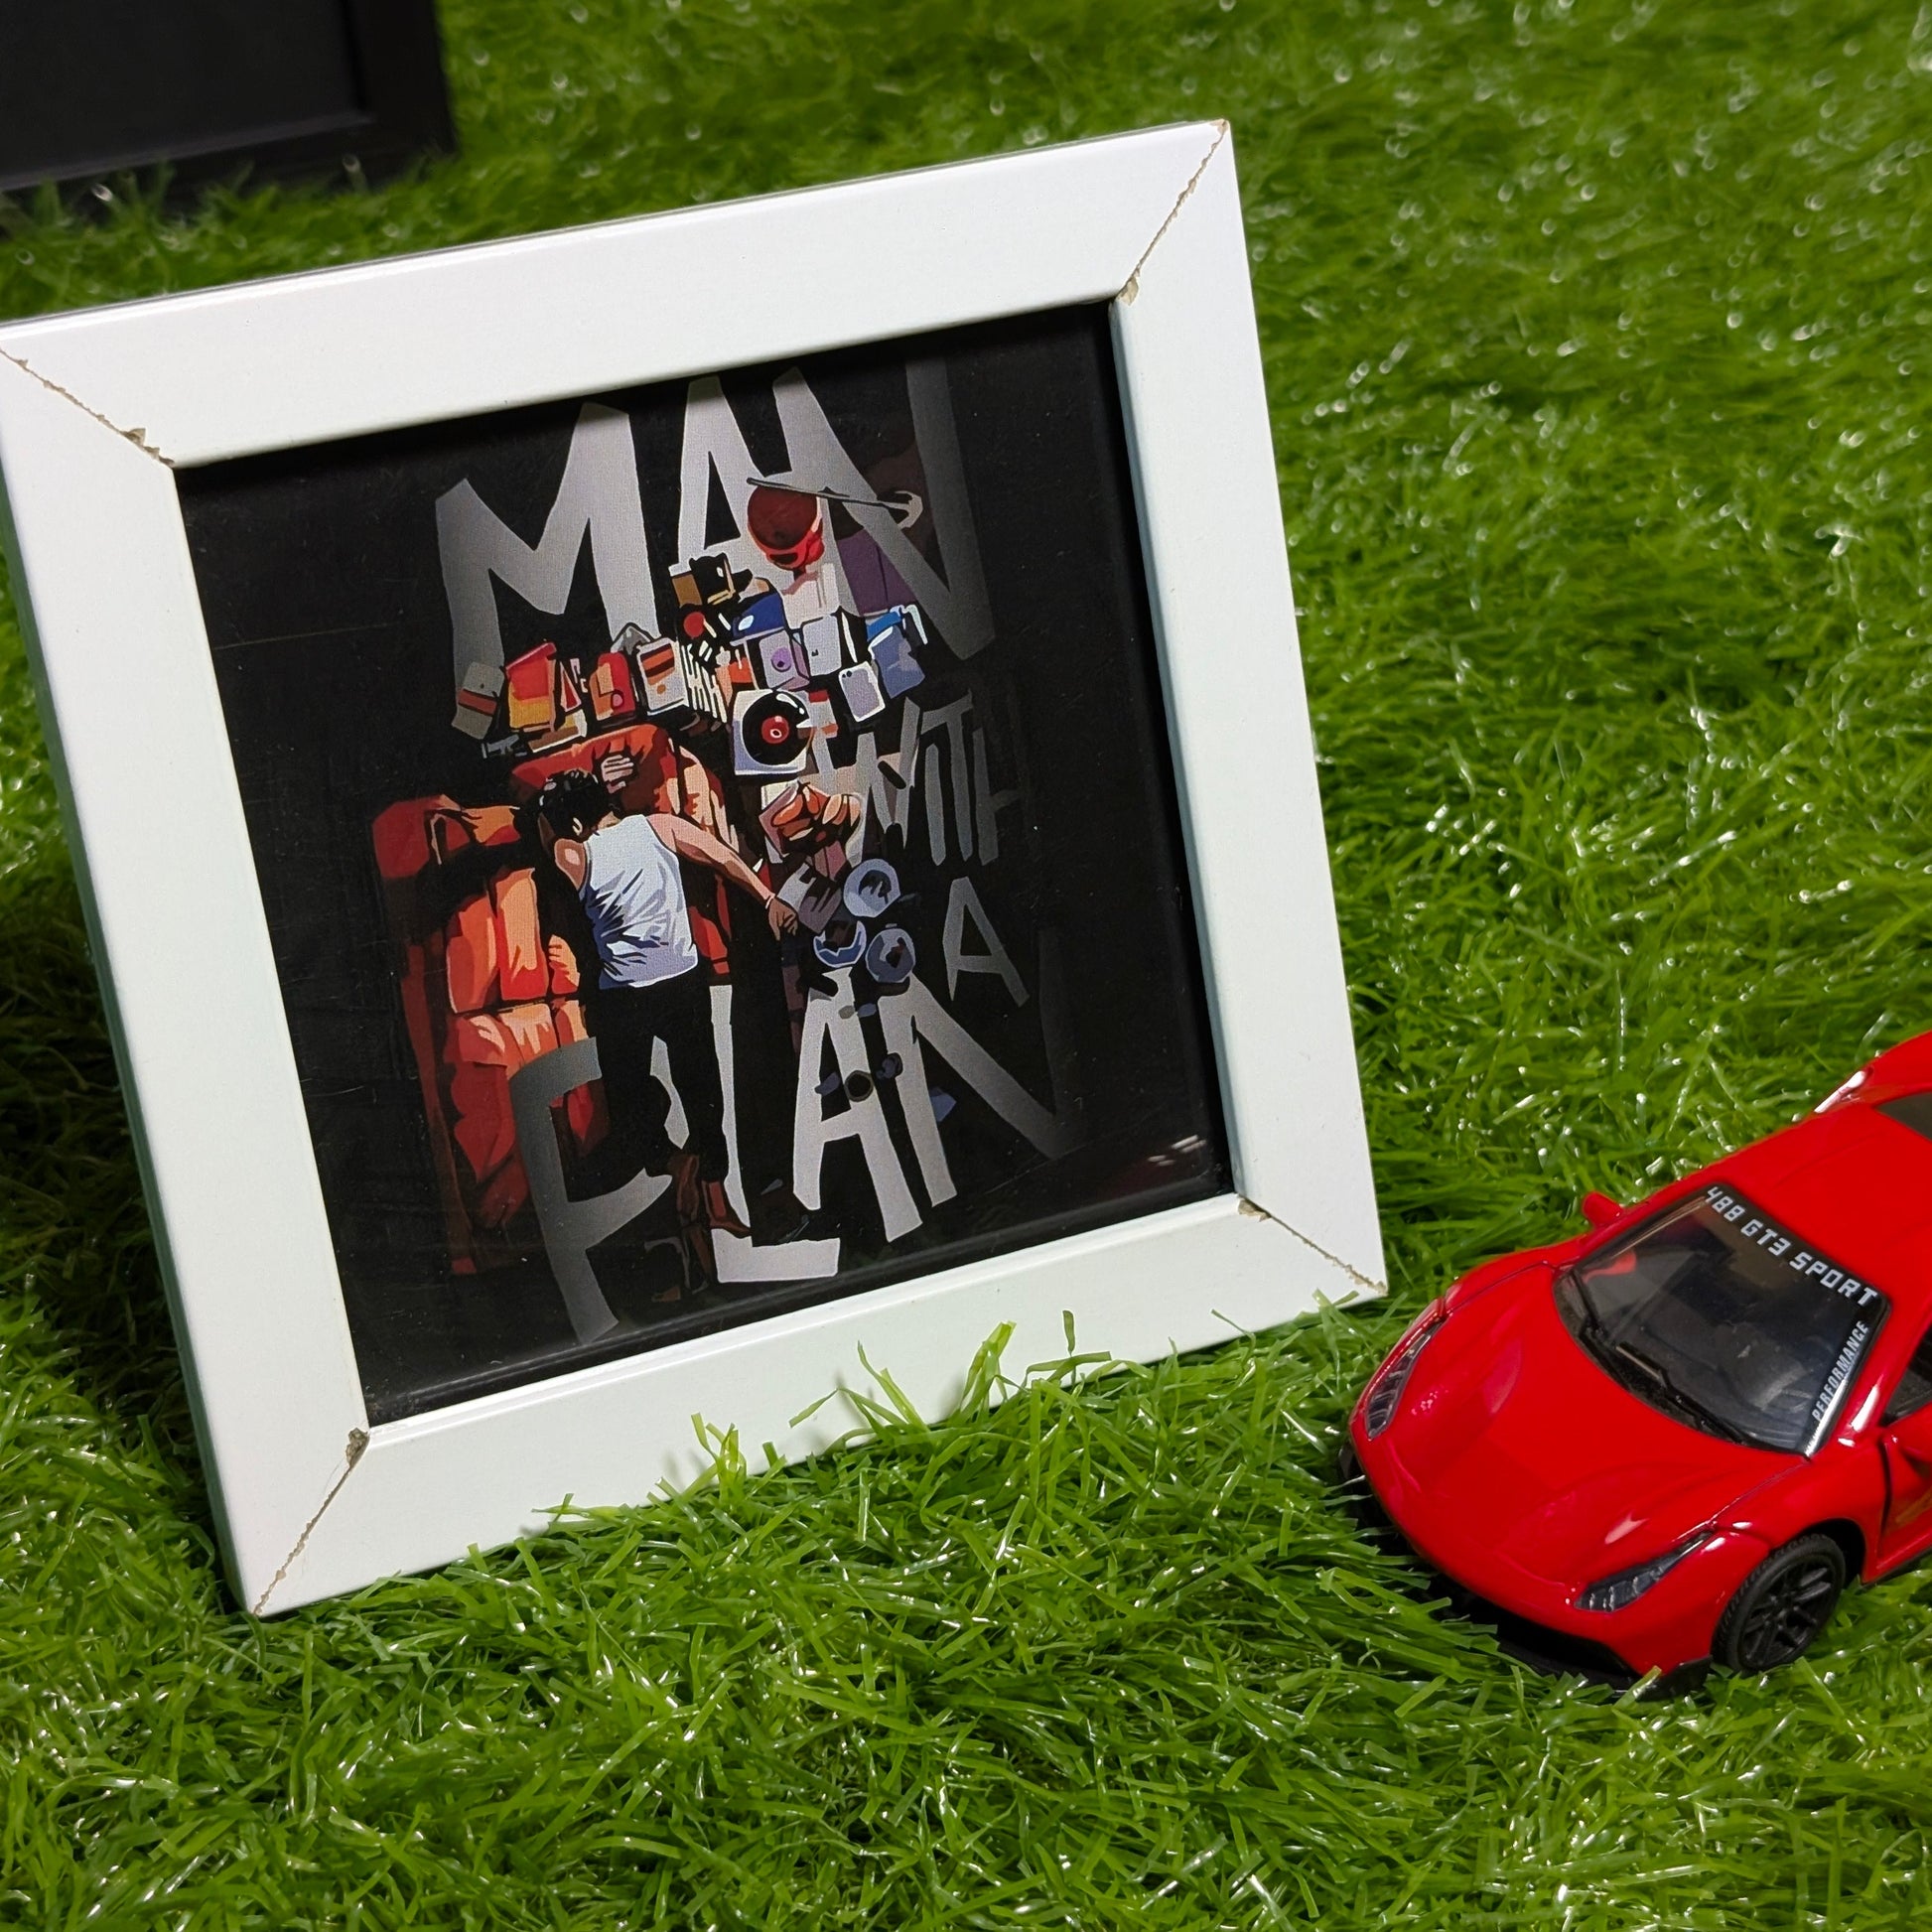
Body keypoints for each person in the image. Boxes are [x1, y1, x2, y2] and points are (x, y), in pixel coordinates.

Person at [534, 769, 797, 1243]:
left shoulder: (574, 854)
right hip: (682, 982)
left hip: (624, 996)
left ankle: (674, 1162)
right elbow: (722, 857)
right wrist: (767, 900)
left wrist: (548, 817)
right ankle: (718, 1203)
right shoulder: (659, 826)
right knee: (703, 1094)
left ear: (572, 825)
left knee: (629, 1106)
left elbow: (546, 839)